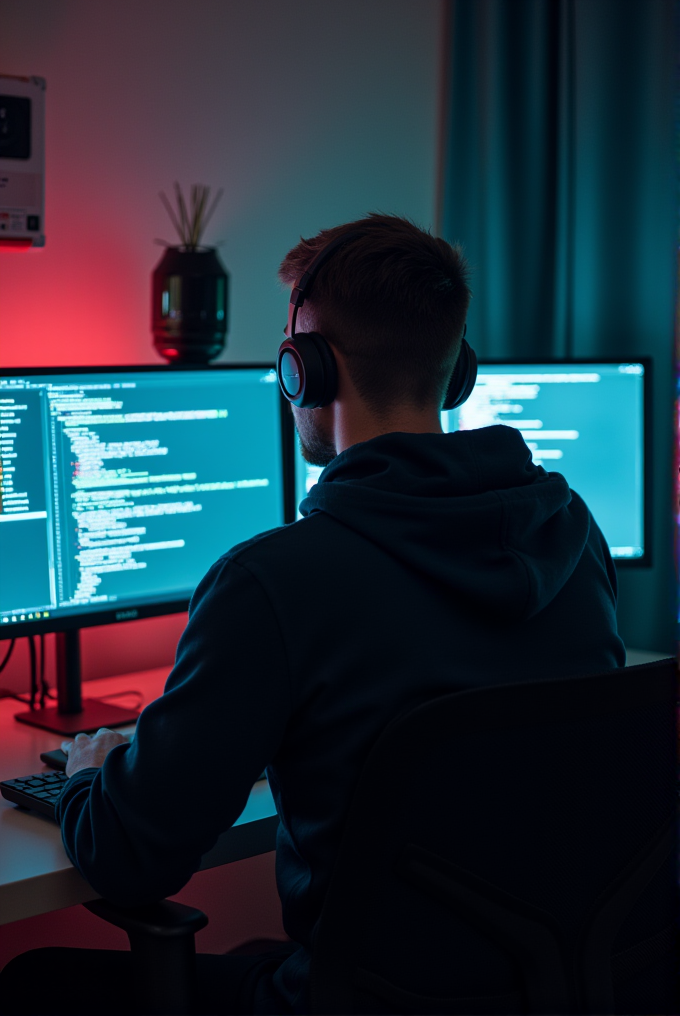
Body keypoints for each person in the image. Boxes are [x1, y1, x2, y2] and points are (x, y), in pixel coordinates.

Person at [0, 214, 625, 1015]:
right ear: (457, 369)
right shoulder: (572, 535)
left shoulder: (272, 584)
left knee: (32, 983)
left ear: (303, 371)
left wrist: (91, 778)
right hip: (553, 988)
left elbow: (132, 859)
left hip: (360, 1001)